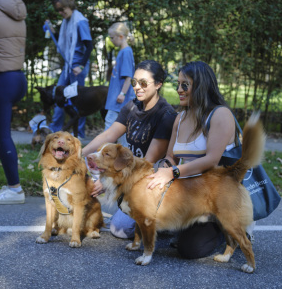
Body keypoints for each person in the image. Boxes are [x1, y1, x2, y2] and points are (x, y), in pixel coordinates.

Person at [146, 61, 237, 259]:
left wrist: (172, 173)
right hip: (188, 193)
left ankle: (227, 230)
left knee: (190, 250)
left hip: (216, 197)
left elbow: (212, 160)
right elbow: (171, 157)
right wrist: (162, 170)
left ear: (201, 86)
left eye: (184, 85)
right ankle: (185, 225)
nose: (179, 89)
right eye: (177, 84)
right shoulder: (180, 118)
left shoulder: (220, 114)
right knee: (143, 222)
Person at [82, 60, 177, 238]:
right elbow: (107, 136)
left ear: (158, 84)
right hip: (126, 173)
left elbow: (147, 163)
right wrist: (79, 155)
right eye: (134, 82)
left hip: (148, 180)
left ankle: (165, 221)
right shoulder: (132, 106)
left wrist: (106, 182)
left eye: (143, 83)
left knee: (120, 229)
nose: (137, 87)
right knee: (89, 170)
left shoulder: (165, 115)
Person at [0, 0, 27, 204]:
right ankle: (12, 187)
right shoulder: (14, 11)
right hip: (16, 77)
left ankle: (15, 189)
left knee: (2, 135)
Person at [48, 0, 93, 140]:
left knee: (77, 101)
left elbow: (89, 45)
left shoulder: (80, 21)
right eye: (58, 11)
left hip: (77, 68)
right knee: (58, 96)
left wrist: (81, 65)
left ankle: (78, 134)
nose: (61, 13)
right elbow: (65, 40)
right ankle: (54, 130)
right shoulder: (67, 21)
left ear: (69, 6)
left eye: (62, 10)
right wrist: (51, 30)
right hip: (68, 67)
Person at [104, 22, 136, 147]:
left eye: (112, 37)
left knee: (110, 125)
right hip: (117, 98)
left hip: (119, 100)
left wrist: (122, 93)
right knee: (121, 129)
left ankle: (102, 155)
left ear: (121, 37)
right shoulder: (123, 51)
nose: (111, 40)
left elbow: (129, 76)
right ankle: (125, 157)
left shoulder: (126, 52)